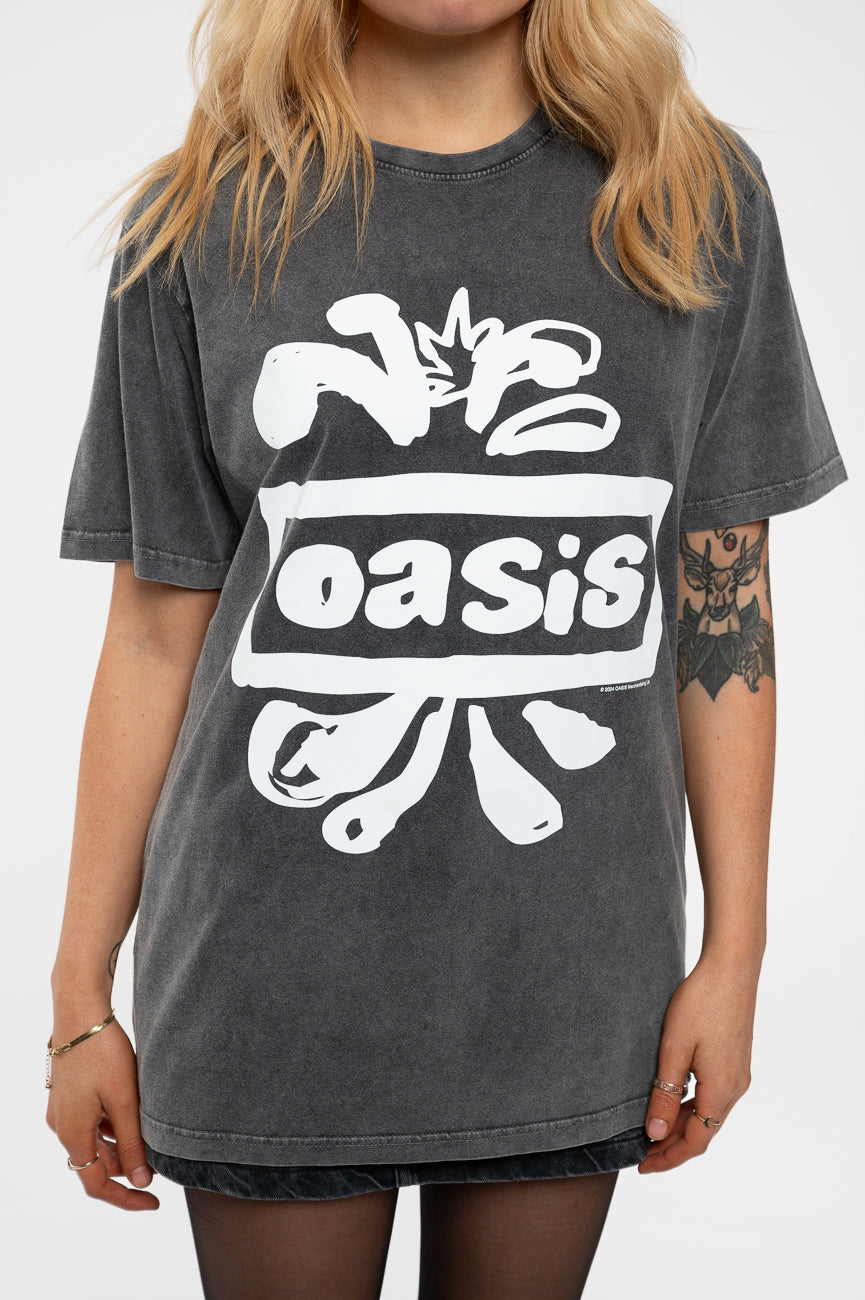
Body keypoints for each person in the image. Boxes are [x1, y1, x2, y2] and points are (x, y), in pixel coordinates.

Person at [46, 1, 847, 1297]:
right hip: (267, 977)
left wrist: (733, 953)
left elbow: (726, 596)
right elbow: (151, 630)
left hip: (571, 976)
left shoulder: (687, 193)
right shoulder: (201, 218)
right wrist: (78, 998)